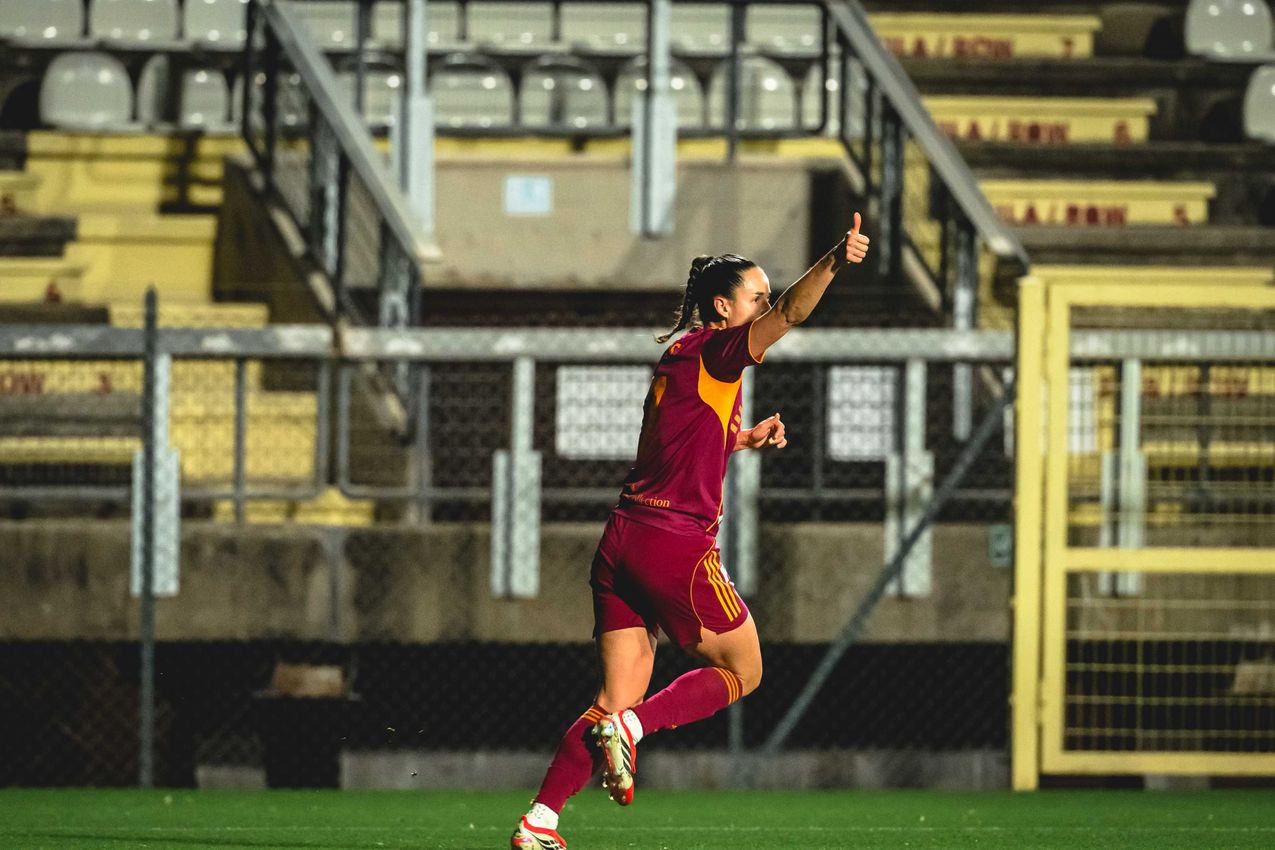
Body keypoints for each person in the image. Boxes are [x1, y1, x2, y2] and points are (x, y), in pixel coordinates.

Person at [511, 214, 871, 850]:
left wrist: (744, 436)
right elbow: (790, 314)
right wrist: (834, 263)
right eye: (755, 296)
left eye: (763, 295)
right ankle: (636, 732)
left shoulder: (679, 355)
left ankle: (540, 821)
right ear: (722, 305)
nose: (764, 304)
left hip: (622, 538)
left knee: (612, 698)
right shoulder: (719, 349)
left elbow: (686, 434)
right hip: (672, 543)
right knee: (744, 669)